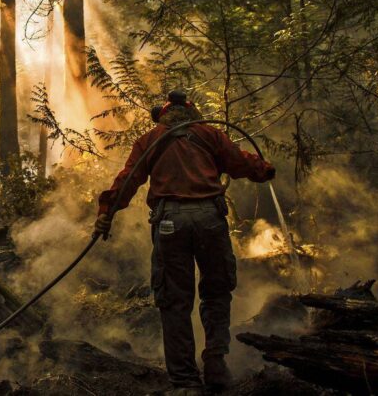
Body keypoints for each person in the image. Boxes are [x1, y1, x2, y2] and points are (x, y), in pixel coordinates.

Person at [94, 91, 275, 395]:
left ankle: (186, 381)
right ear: (192, 112)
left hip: (170, 223)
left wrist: (106, 212)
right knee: (216, 292)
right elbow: (241, 162)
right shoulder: (210, 134)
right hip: (210, 220)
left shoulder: (150, 138)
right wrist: (264, 169)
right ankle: (216, 365)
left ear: (163, 115)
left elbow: (128, 179)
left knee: (175, 300)